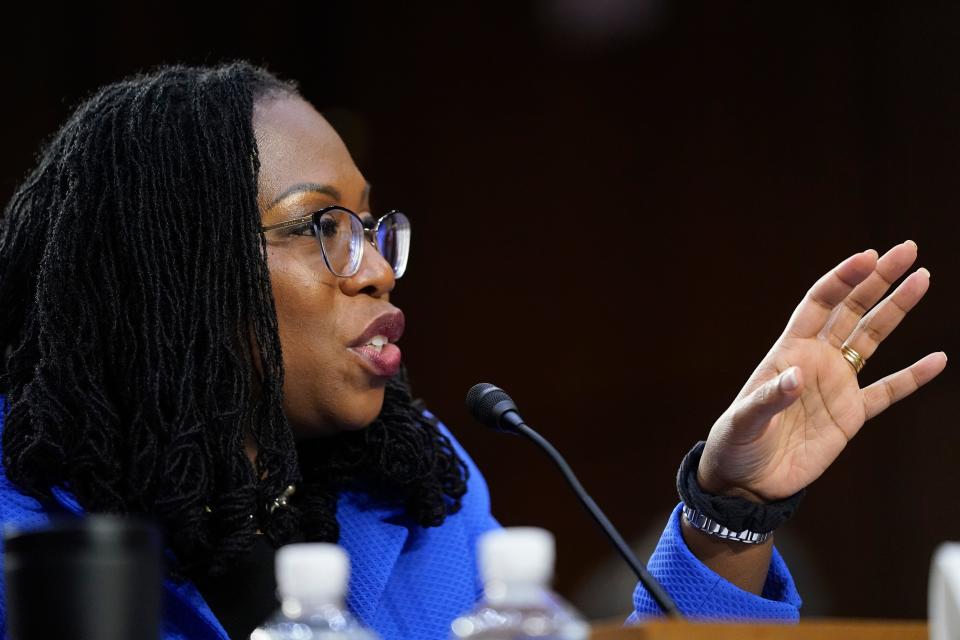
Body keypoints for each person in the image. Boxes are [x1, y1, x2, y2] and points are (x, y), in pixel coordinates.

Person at [0, 63, 946, 640]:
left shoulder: (417, 492)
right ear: (167, 270)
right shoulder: (24, 536)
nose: (376, 271)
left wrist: (731, 506)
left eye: (374, 227)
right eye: (319, 226)